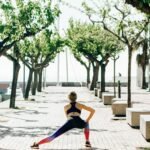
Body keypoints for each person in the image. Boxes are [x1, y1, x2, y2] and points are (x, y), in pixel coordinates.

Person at [31, 91, 95, 149]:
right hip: (79, 121)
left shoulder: (66, 107)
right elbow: (92, 111)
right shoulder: (80, 105)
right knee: (86, 124)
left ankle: (37, 144)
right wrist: (87, 120)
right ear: (76, 98)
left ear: (69, 98)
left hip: (70, 121)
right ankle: (87, 141)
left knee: (53, 136)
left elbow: (67, 117)